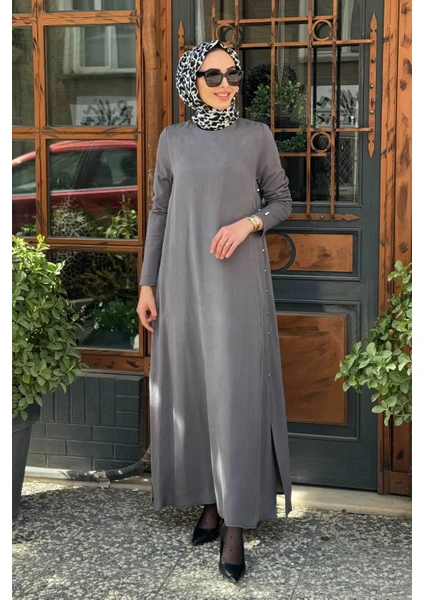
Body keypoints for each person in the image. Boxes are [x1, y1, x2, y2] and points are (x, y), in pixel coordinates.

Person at [137, 39, 293, 585]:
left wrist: (247, 223)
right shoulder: (173, 139)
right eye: (213, 75)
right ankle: (209, 500)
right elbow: (159, 210)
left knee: (234, 394)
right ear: (192, 82)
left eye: (232, 75)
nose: (226, 84)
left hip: (235, 285)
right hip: (180, 282)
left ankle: (236, 522)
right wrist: (147, 284)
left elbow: (281, 200)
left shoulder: (256, 135)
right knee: (196, 392)